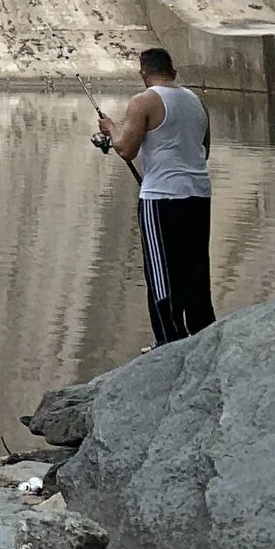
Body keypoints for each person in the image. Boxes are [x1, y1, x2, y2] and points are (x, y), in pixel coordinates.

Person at [95, 48, 216, 343]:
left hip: (160, 197)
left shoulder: (144, 101)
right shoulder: (196, 101)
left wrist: (110, 129)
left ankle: (167, 341)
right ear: (172, 71)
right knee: (196, 270)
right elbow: (205, 150)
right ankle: (204, 336)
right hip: (199, 194)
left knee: (162, 275)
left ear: (143, 73)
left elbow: (126, 149)